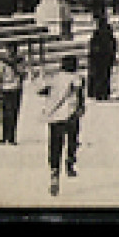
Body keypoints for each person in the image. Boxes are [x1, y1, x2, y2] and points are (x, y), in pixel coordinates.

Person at [38, 54, 87, 196]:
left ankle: (54, 174)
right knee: (72, 140)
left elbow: (41, 90)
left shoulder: (54, 78)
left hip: (54, 116)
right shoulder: (77, 78)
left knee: (54, 145)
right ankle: (70, 162)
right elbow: (79, 94)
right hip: (70, 115)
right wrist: (81, 107)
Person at [0, 43, 26, 145]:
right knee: (5, 113)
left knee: (14, 113)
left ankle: (11, 136)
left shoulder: (20, 61)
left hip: (16, 89)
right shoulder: (3, 63)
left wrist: (18, 68)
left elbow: (23, 74)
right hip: (6, 89)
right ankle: (4, 136)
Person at [87, 13, 117, 101]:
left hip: (98, 57)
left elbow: (94, 45)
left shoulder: (98, 33)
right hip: (106, 56)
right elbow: (112, 43)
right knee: (105, 75)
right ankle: (104, 93)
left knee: (98, 75)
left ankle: (98, 93)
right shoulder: (108, 32)